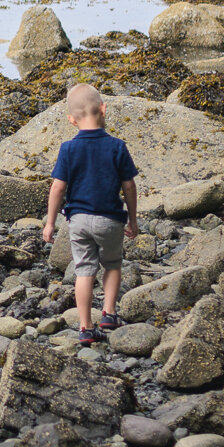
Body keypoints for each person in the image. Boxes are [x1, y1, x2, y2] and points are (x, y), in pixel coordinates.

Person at [40, 84, 138, 344]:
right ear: (103, 109)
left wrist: (50, 222)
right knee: (113, 264)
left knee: (84, 271)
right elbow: (129, 186)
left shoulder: (68, 149)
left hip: (79, 220)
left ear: (71, 120)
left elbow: (58, 188)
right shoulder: (117, 147)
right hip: (110, 219)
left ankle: (85, 327)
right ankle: (109, 312)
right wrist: (133, 219)